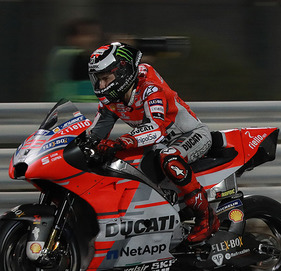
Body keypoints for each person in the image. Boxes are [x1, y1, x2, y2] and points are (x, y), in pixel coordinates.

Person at [85, 42, 219, 244]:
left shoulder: (149, 88)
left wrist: (120, 142)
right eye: (98, 79)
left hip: (190, 134)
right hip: (160, 142)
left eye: (105, 78)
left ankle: (206, 216)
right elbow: (95, 135)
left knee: (169, 158)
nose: (101, 85)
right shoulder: (111, 100)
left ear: (121, 72)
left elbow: (156, 129)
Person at [46, 19, 104, 101]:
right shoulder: (64, 57)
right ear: (71, 39)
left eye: (96, 34)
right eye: (86, 34)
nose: (93, 39)